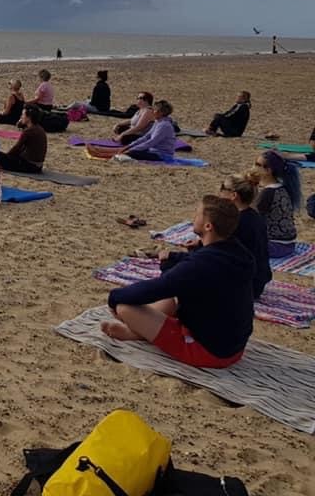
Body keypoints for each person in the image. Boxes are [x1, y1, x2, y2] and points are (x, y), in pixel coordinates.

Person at [103, 195, 254, 368]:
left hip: (209, 352)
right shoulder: (239, 253)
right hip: (233, 346)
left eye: (197, 214)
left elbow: (159, 287)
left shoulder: (201, 264)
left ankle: (137, 333)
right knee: (169, 300)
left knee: (125, 306)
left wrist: (114, 298)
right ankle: (138, 331)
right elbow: (197, 267)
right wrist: (174, 258)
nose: (193, 217)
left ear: (208, 226)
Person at [219, 173, 271, 299]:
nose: (219, 191)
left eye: (223, 187)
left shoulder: (234, 222)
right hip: (257, 282)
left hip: (242, 285)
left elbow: (217, 254)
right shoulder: (255, 217)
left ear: (233, 195)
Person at [251, 150, 301, 260]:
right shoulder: (283, 187)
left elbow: (253, 216)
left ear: (268, 170)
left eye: (257, 165)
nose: (253, 167)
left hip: (275, 246)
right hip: (288, 244)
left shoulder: (268, 193)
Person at [86, 100, 176, 161]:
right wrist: (130, 146)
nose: (153, 112)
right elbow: (146, 137)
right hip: (153, 150)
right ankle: (100, 150)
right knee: (126, 148)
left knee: (130, 153)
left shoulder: (164, 126)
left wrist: (132, 149)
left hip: (162, 155)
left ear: (161, 113)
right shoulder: (158, 122)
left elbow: (151, 142)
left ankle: (99, 154)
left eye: (155, 110)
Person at [0, 105, 47, 173]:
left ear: (28, 117)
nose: (21, 117)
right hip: (38, 166)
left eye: (23, 115)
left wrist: (6, 157)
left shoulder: (28, 131)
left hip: (29, 166)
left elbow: (17, 147)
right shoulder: (40, 128)